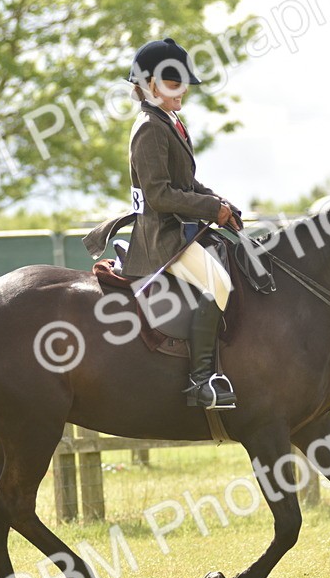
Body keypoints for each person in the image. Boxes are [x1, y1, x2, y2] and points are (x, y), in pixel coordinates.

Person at [84, 37, 244, 410]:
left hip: (179, 229)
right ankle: (200, 381)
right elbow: (159, 195)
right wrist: (209, 208)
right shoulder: (150, 127)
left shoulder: (168, 121)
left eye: (183, 84)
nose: (181, 92)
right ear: (149, 85)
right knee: (218, 283)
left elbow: (186, 185)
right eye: (173, 84)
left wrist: (220, 204)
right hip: (162, 236)